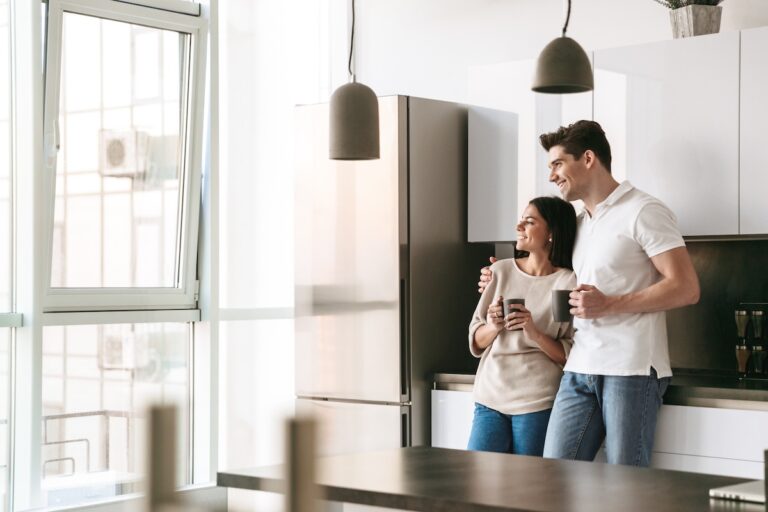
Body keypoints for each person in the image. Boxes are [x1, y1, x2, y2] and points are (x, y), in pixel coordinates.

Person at [478, 120, 700, 466]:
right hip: (580, 366)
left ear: (588, 158)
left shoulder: (643, 211)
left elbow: (686, 287)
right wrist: (496, 274)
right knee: (553, 476)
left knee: (625, 483)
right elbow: (546, 274)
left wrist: (610, 304)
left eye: (557, 164)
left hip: (631, 368)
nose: (551, 175)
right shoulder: (579, 224)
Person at [467, 196, 577, 456]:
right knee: (478, 483)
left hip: (537, 403)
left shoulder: (568, 282)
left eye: (529, 222)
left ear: (551, 233)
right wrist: (493, 326)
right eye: (520, 221)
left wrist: (534, 332)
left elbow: (569, 355)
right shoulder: (501, 271)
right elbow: (475, 339)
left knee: (528, 489)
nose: (519, 227)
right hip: (490, 399)